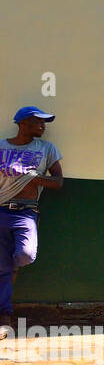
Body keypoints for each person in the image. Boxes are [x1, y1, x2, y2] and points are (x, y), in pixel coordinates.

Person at [0, 107, 63, 340]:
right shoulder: (1, 147)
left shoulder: (47, 149)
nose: (44, 127)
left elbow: (58, 182)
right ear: (23, 124)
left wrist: (32, 177)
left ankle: (12, 267)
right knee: (2, 269)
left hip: (26, 211)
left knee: (25, 254)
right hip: (0, 209)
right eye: (39, 122)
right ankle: (4, 317)